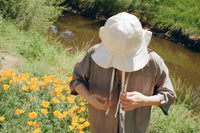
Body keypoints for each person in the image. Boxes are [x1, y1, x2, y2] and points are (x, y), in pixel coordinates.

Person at [70, 12, 176, 133]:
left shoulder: (153, 62)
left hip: (135, 128)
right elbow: (77, 79)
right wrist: (88, 97)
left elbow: (169, 96)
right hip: (100, 125)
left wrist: (144, 100)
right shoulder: (94, 54)